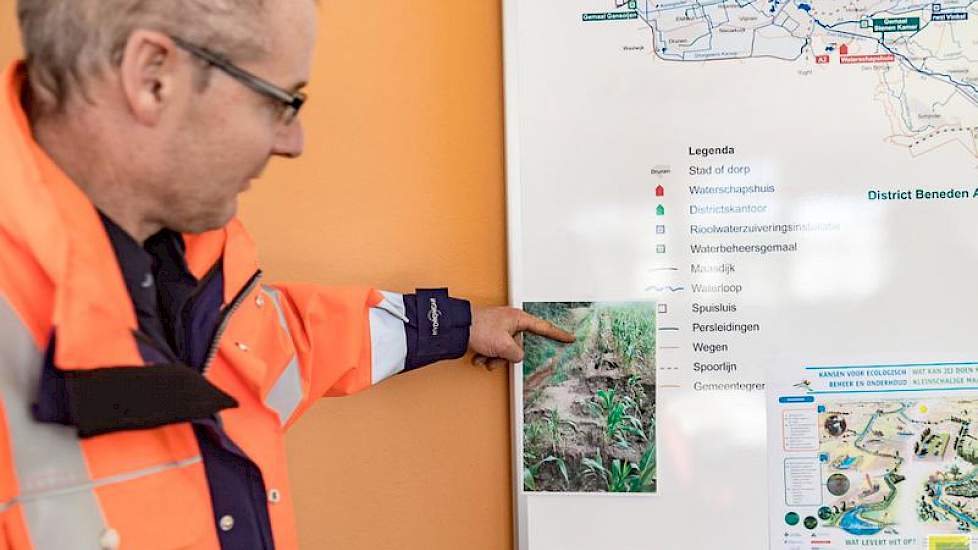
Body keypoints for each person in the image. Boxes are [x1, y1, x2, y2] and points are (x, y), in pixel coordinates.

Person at [0, 1, 573, 548]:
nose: (292, 143)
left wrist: (455, 323)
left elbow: (281, 347)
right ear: (154, 78)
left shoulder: (187, 266)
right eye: (279, 102)